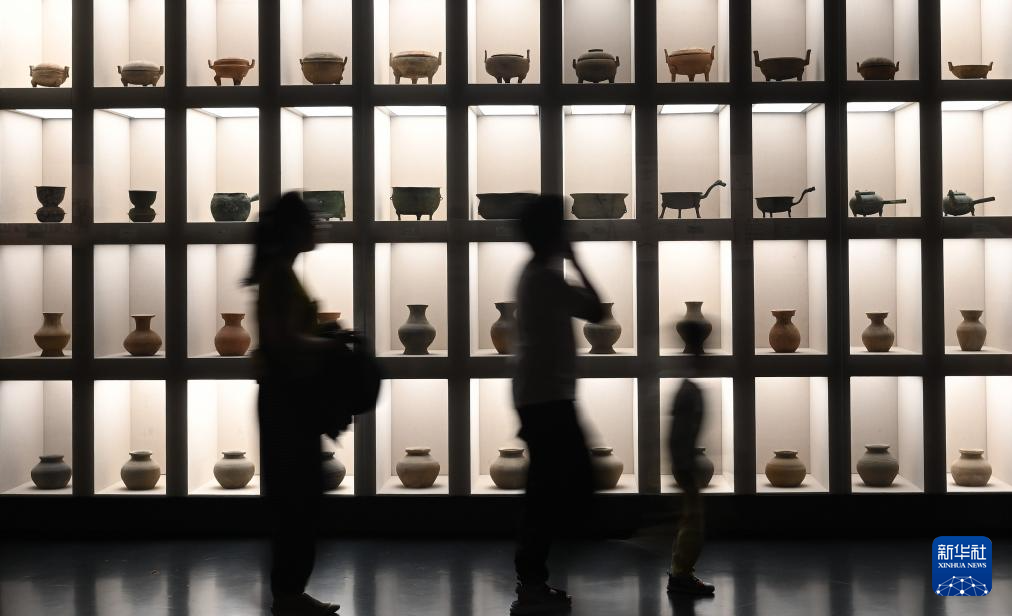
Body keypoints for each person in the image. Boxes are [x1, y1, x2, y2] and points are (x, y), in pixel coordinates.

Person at [247, 193, 343, 616]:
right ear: (293, 231)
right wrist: (329, 344)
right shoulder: (278, 277)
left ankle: (291, 594)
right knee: (295, 502)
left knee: (298, 499)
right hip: (286, 399)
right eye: (310, 221)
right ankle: (287, 597)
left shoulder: (281, 274)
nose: (317, 227)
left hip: (289, 397)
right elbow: (282, 339)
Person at [510, 195, 604, 615]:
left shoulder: (534, 275)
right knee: (557, 487)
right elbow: (597, 310)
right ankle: (532, 579)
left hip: (540, 394)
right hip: (547, 396)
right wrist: (577, 261)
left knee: (546, 489)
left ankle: (533, 579)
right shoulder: (545, 279)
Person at [666, 320, 715, 596]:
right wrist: (684, 464)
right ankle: (680, 576)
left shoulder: (688, 385)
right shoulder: (689, 389)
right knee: (693, 522)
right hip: (685, 462)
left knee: (690, 519)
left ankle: (680, 572)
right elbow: (679, 432)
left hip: (685, 461)